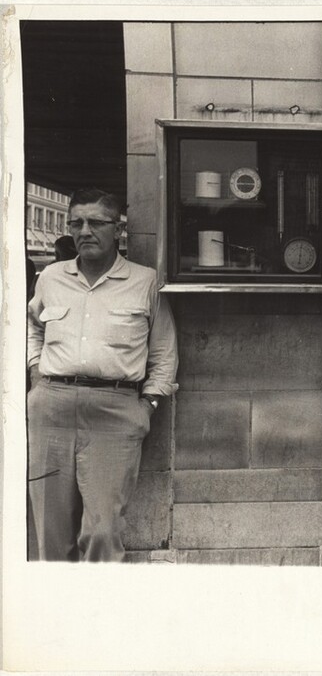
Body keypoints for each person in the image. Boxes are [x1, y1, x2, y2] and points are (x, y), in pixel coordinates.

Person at [27, 188, 178, 561]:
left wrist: (148, 404)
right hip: (52, 409)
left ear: (118, 229)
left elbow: (164, 352)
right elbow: (33, 328)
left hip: (116, 410)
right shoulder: (51, 277)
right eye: (76, 223)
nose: (85, 231)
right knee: (50, 529)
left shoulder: (145, 281)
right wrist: (35, 374)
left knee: (102, 530)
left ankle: (98, 597)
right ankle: (56, 600)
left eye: (95, 222)